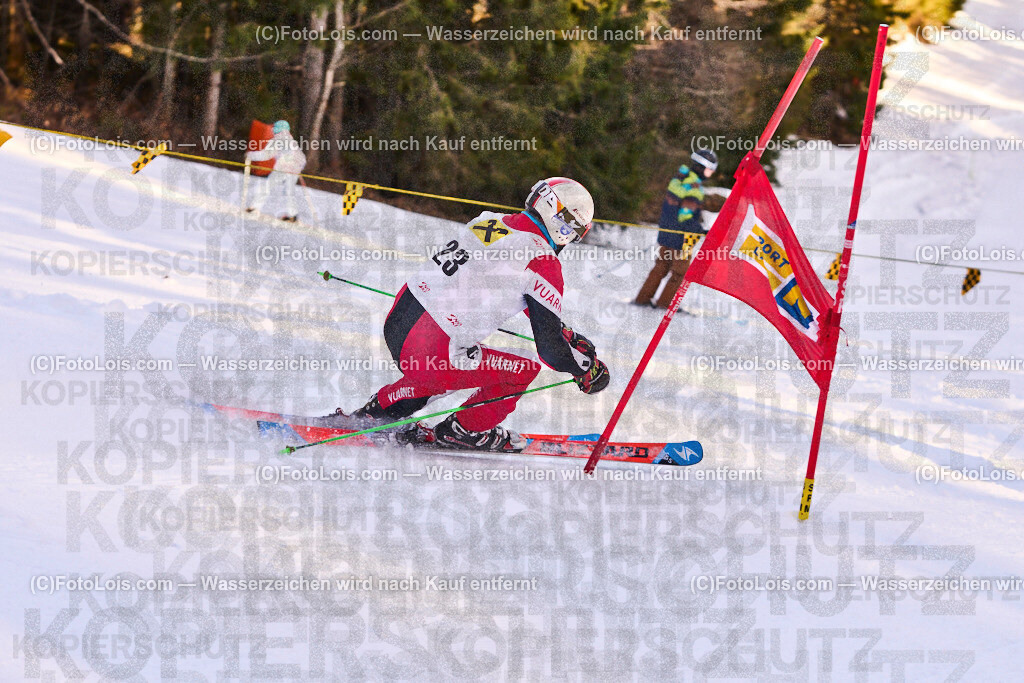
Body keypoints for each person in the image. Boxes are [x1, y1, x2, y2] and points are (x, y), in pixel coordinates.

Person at [326, 177, 611, 452]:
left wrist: (566, 335)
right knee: (524, 368)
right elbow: (549, 351)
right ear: (565, 224)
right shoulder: (543, 260)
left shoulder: (490, 220)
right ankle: (464, 431)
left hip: (399, 322)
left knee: (461, 359)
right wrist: (583, 370)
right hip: (430, 351)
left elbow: (502, 285)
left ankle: (380, 410)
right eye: (576, 233)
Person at [634, 148, 725, 308]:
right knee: (679, 272)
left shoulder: (678, 179)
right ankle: (664, 304)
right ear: (701, 167)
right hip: (682, 238)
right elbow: (685, 216)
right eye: (710, 170)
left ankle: (643, 298)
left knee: (661, 265)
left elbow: (674, 209)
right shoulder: (694, 187)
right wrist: (700, 229)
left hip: (667, 232)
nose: (711, 173)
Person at [245, 120, 307, 222]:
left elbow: (266, 155)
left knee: (267, 186)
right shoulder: (291, 140)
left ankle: (254, 207)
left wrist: (251, 155)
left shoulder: (278, 139)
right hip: (293, 170)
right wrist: (298, 167)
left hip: (283, 168)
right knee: (288, 191)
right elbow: (302, 158)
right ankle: (292, 215)